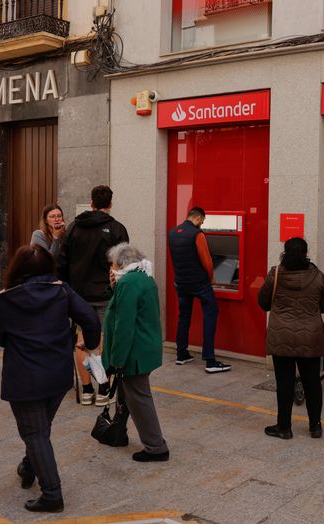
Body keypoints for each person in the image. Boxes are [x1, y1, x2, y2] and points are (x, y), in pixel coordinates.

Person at [0, 245, 100, 513]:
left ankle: (52, 494)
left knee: (36, 432)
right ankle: (29, 467)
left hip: (24, 377)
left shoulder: (7, 298)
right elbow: (91, 319)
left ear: (17, 269)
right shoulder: (62, 291)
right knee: (40, 428)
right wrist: (90, 344)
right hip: (58, 374)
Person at [57, 185, 128, 406]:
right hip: (106, 293)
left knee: (82, 340)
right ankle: (103, 388)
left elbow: (62, 261)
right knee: (104, 340)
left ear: (91, 203)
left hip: (78, 295)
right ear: (110, 203)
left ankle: (87, 389)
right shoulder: (117, 229)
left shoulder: (74, 228)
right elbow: (124, 263)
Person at [257, 237, 324, 439]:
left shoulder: (276, 274)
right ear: (306, 253)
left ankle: (284, 427)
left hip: (282, 336)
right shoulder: (316, 276)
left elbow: (263, 303)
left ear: (285, 253)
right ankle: (315, 426)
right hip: (311, 337)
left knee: (284, 383)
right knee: (312, 382)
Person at [102, 243, 169, 461]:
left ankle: (155, 446)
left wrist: (116, 359)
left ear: (121, 264)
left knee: (139, 398)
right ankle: (119, 432)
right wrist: (115, 287)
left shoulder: (129, 283)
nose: (110, 269)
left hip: (134, 351)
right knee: (128, 394)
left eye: (112, 265)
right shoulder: (143, 277)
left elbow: (124, 324)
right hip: (145, 346)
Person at [168, 207, 231, 373]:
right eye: (202, 221)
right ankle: (210, 361)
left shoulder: (173, 233)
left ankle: (181, 354)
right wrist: (211, 277)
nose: (202, 224)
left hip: (181, 282)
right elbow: (207, 261)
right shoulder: (198, 234)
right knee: (211, 314)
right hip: (199, 283)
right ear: (198, 217)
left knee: (184, 316)